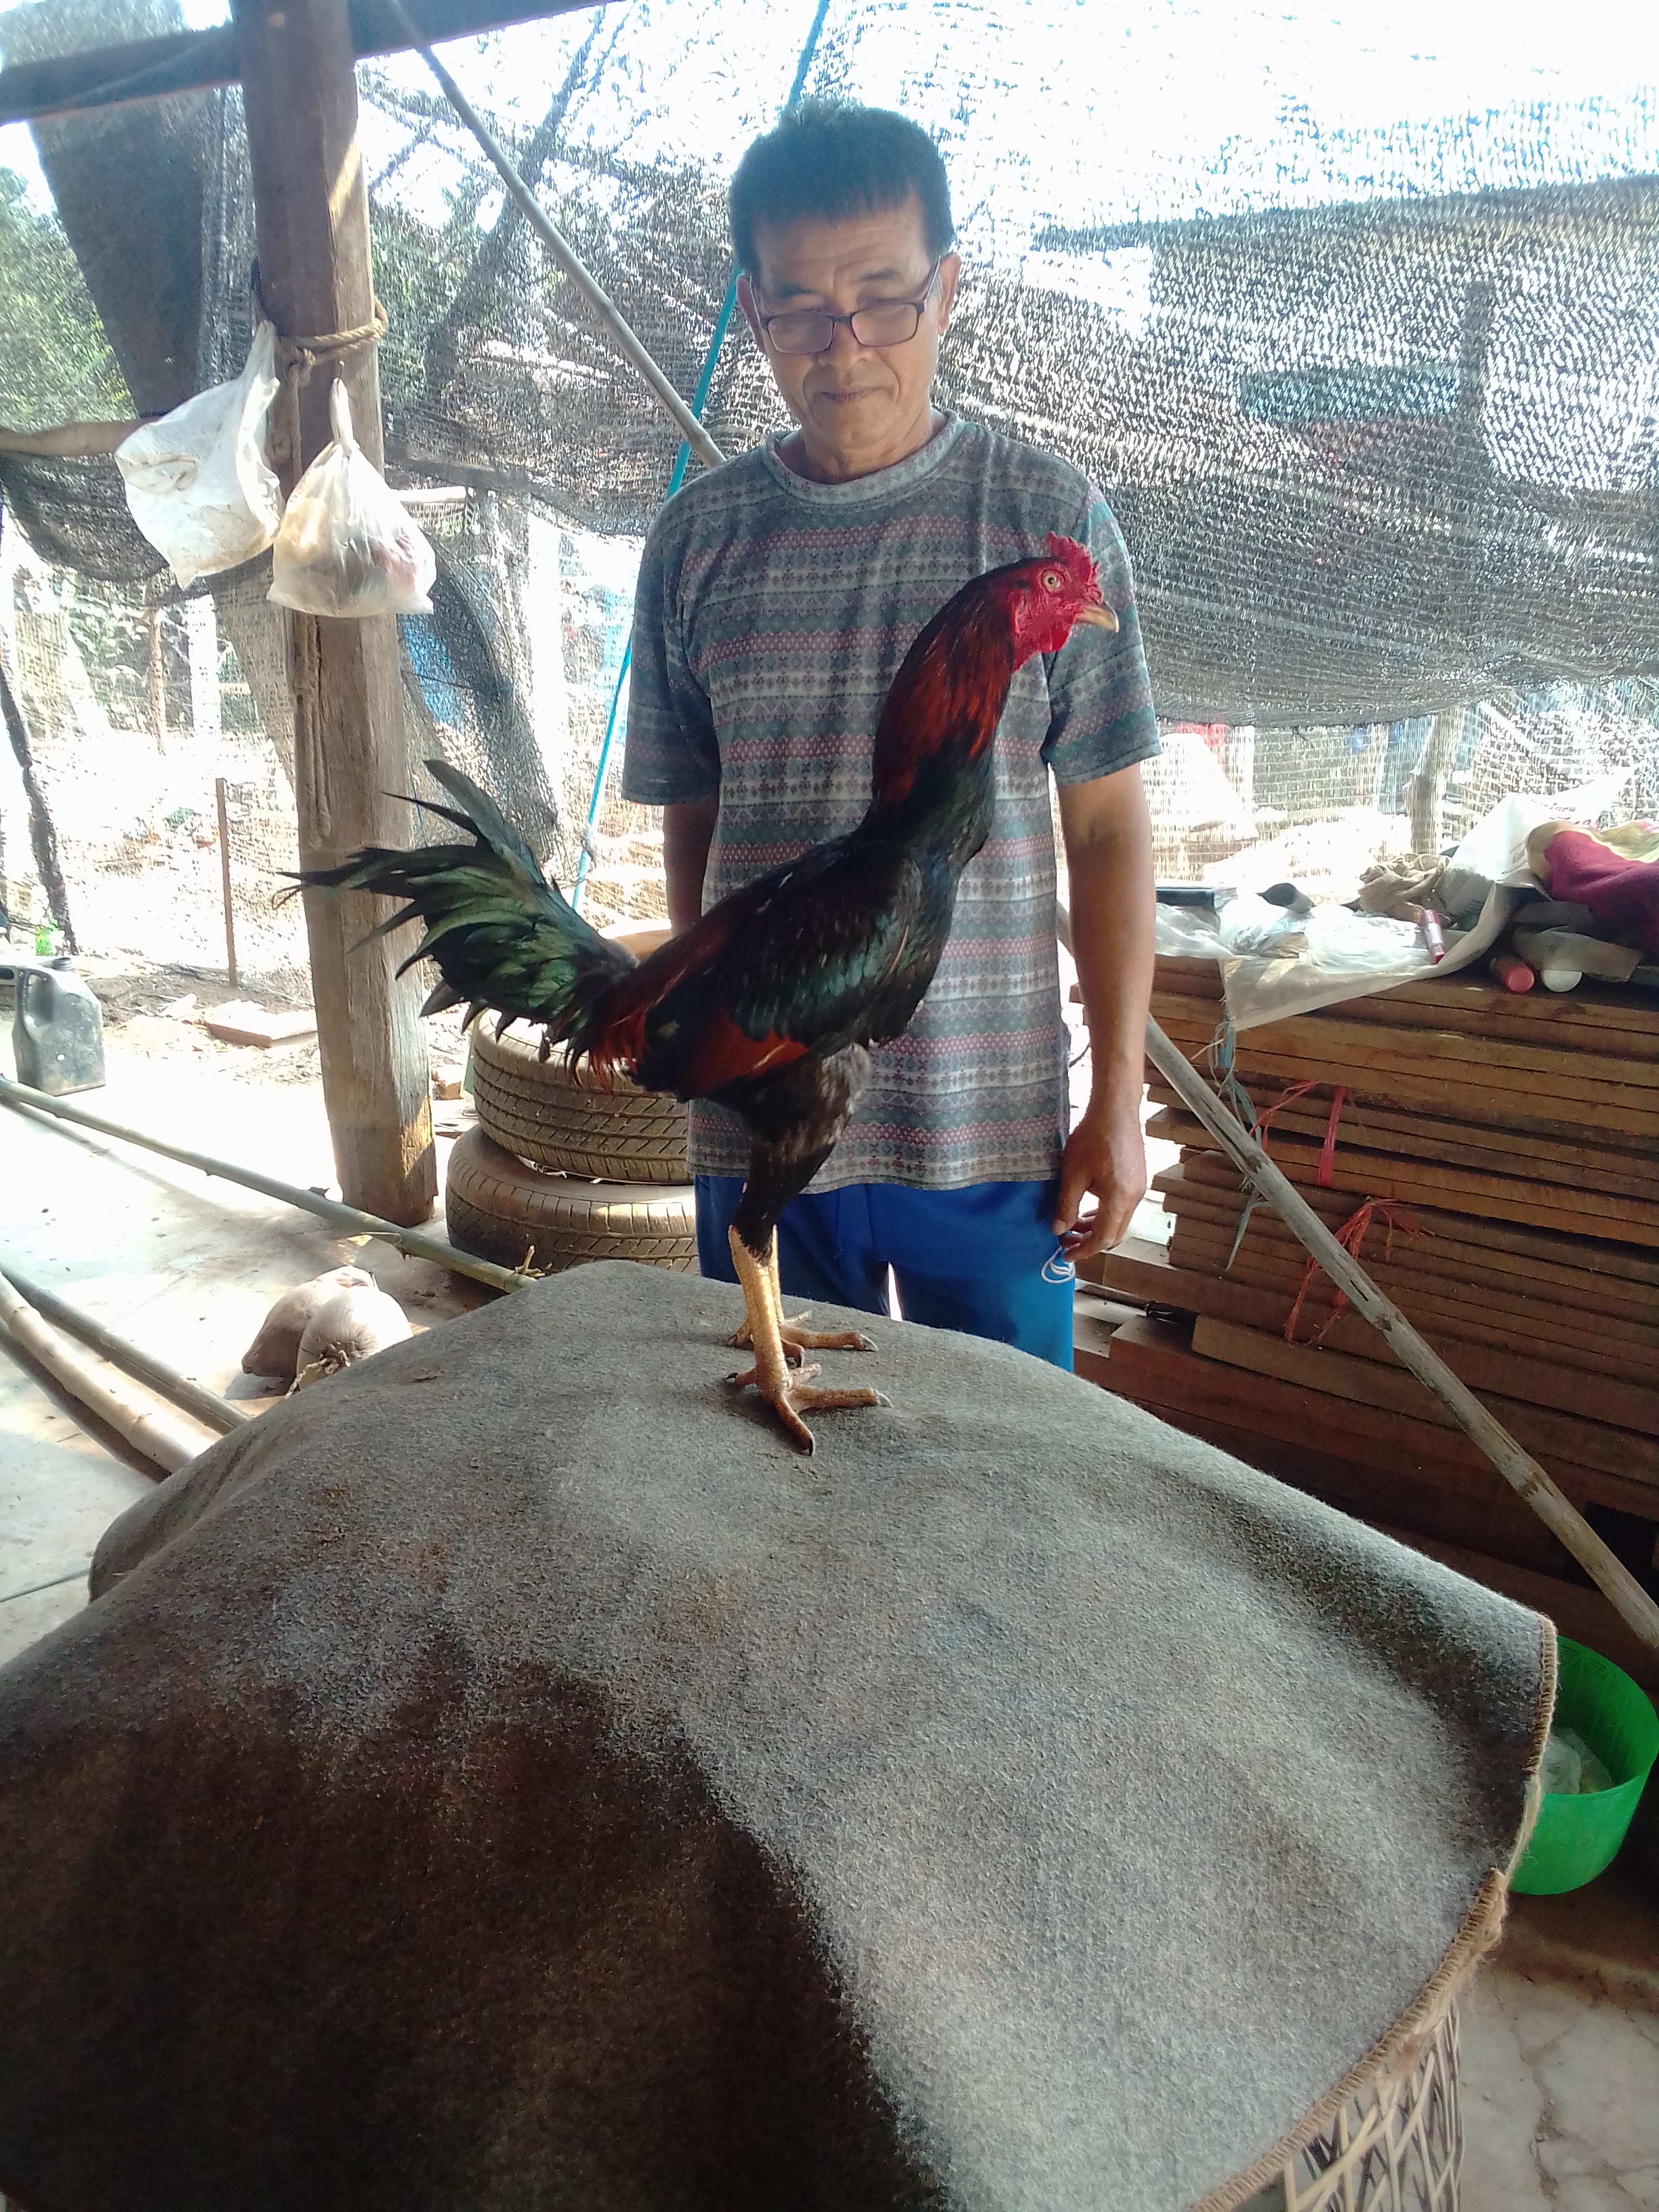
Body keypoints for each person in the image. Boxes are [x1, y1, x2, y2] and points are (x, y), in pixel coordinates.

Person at [621, 102, 1158, 1371]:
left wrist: (1120, 1097)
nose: (844, 344)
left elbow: (1107, 826)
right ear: (755, 312)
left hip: (990, 1127)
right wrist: (716, 1032)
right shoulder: (696, 540)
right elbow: (693, 817)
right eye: (802, 308)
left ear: (946, 290)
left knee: (1012, 1451)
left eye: (882, 297)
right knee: (776, 1451)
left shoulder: (1044, 518)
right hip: (769, 1127)